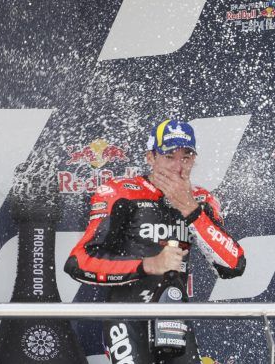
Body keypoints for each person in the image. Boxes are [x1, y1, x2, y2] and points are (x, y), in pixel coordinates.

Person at [64, 119, 246, 363]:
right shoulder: (121, 192)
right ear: (150, 157)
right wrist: (146, 265)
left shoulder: (201, 200)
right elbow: (79, 262)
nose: (177, 166)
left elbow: (233, 265)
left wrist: (190, 208)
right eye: (169, 156)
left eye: (186, 157)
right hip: (126, 317)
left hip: (175, 319)